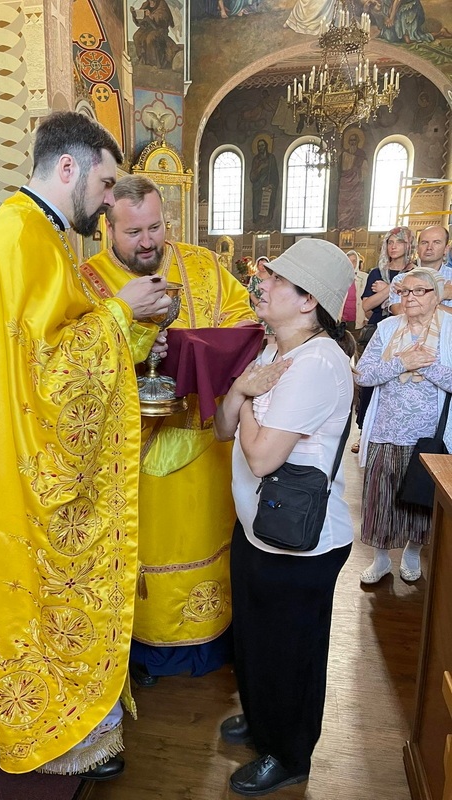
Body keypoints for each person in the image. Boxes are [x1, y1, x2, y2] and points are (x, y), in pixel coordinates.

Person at [0, 111, 173, 780]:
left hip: (16, 442)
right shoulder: (26, 237)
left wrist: (124, 320)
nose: (109, 201)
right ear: (68, 167)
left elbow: (55, 342)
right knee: (46, 582)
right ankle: (58, 729)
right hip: (32, 454)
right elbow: (55, 375)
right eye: (106, 183)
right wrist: (123, 311)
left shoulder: (32, 231)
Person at [79, 175, 256, 686]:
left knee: (205, 537)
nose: (147, 242)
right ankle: (142, 648)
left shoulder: (203, 265)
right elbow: (75, 362)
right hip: (131, 454)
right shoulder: (86, 282)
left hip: (205, 446)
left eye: (155, 228)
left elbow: (244, 325)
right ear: (108, 230)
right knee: (147, 547)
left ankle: (210, 639)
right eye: (133, 232)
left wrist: (196, 349)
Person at [214, 238, 356, 796]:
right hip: (258, 526)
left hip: (301, 542)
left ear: (308, 300)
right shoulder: (275, 349)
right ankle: (261, 720)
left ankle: (289, 753)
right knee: (255, 640)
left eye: (276, 279)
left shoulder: (317, 363)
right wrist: (242, 390)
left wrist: (245, 396)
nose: (262, 284)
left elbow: (261, 456)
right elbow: (222, 428)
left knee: (290, 654)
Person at [355, 268, 452, 584]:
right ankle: (381, 559)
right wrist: (402, 363)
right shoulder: (386, 328)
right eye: (405, 291)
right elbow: (363, 375)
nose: (410, 297)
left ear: (436, 296)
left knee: (421, 500)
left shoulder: (450, 329)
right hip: (386, 430)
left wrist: (428, 366)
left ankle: (413, 552)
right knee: (381, 498)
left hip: (429, 435)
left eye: (419, 290)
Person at [351, 226, 417, 454]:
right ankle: (363, 432)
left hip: (405, 331)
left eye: (399, 242)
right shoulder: (377, 272)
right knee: (369, 380)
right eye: (390, 242)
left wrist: (386, 292)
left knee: (397, 381)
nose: (393, 246)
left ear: (409, 245)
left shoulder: (416, 272)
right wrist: (392, 288)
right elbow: (367, 306)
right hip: (377, 331)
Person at [388, 225, 452, 315]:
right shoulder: (400, 280)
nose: (429, 247)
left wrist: (415, 300)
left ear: (446, 249)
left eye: (436, 242)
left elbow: (411, 311)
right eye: (424, 243)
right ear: (417, 248)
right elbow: (401, 313)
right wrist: (439, 295)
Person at [336, 130, 369, 230]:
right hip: (345, 183)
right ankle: (343, 225)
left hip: (356, 184)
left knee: (355, 204)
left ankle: (355, 225)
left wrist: (358, 173)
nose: (352, 142)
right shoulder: (343, 154)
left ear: (358, 141)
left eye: (354, 140)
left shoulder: (361, 154)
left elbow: (365, 170)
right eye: (351, 140)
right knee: (343, 204)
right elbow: (339, 168)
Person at [250, 138, 279, 225]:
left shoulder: (271, 158)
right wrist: (260, 168)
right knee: (258, 207)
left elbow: (275, 175)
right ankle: (258, 223)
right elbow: (252, 177)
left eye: (262, 145)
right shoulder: (256, 160)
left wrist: (271, 185)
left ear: (266, 146)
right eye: (259, 146)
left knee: (267, 207)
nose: (261, 148)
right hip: (258, 189)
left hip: (268, 188)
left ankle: (267, 223)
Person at [342, 249, 368, 338]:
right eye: (348, 261)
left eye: (354, 261)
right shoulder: (340, 277)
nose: (351, 264)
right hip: (342, 319)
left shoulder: (365, 277)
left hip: (357, 318)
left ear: (358, 263)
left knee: (355, 341)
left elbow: (368, 298)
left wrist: (366, 318)